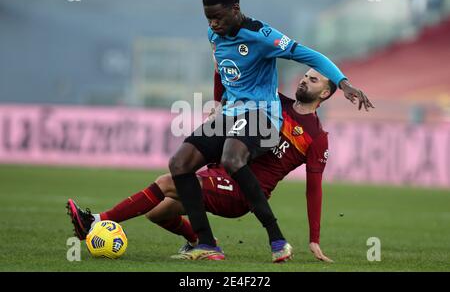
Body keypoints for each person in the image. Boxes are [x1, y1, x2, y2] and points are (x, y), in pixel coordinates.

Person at [67, 68, 373, 263]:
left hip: (242, 192)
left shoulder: (317, 137)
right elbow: (229, 90)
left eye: (314, 79)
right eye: (305, 75)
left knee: (167, 181)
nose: (306, 80)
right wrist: (221, 68)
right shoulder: (272, 103)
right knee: (156, 213)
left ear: (325, 93)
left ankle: (94, 221)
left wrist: (314, 239)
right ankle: (197, 241)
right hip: (219, 173)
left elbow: (313, 190)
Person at [167, 0, 374, 261]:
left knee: (232, 157)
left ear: (235, 9)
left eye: (218, 17)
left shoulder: (262, 36)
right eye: (208, 18)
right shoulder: (214, 35)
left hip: (263, 116)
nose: (213, 24)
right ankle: (206, 243)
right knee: (179, 164)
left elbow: (311, 55)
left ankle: (276, 238)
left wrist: (344, 83)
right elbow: (222, 72)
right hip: (231, 114)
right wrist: (218, 104)